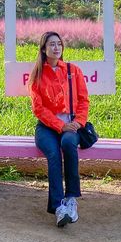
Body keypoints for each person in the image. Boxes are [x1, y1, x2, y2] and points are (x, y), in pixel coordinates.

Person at [29, 31, 89, 228]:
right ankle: (58, 208)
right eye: (52, 44)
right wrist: (59, 125)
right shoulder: (37, 75)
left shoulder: (73, 71)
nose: (56, 48)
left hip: (72, 126)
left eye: (59, 44)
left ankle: (71, 198)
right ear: (44, 49)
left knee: (69, 143)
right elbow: (39, 108)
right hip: (46, 128)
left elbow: (83, 101)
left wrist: (78, 123)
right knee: (54, 154)